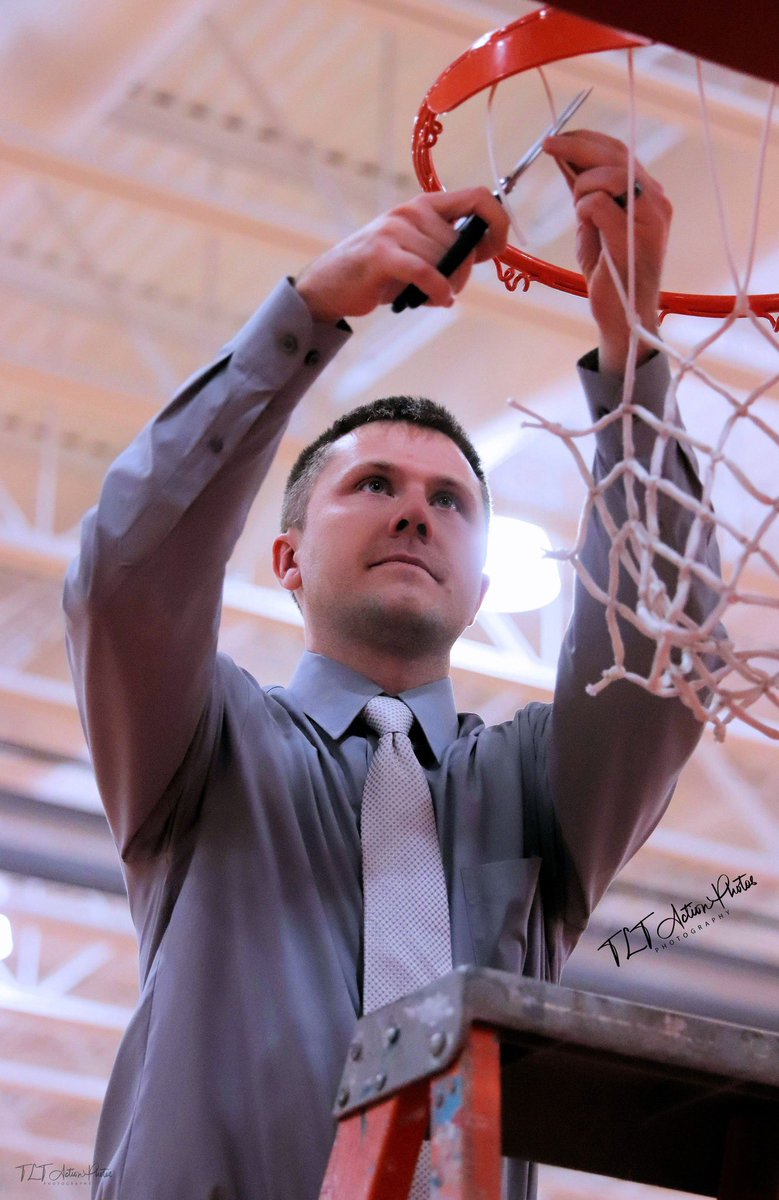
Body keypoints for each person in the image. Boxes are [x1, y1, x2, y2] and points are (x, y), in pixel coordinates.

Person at [64, 130, 719, 1200]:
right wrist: (305, 316)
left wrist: (635, 354)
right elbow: (125, 576)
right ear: (284, 558)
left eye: (449, 499)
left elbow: (663, 657)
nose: (415, 506)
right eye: (370, 485)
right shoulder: (203, 749)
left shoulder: (529, 788)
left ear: (474, 581)